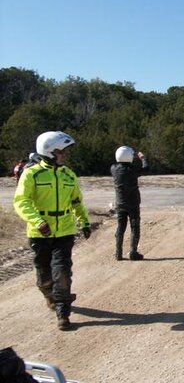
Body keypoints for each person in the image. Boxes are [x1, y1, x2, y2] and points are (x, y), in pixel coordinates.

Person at [13, 131, 91, 331]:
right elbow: (21, 202)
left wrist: (84, 222)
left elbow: (76, 202)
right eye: (60, 151)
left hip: (64, 231)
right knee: (43, 278)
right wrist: (38, 222)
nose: (64, 155)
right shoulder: (31, 174)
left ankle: (63, 313)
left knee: (62, 273)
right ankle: (52, 296)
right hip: (40, 234)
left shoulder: (68, 174)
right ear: (48, 152)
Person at [110, 146, 148, 261]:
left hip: (120, 204)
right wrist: (143, 158)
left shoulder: (113, 168)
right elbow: (146, 169)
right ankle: (133, 252)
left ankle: (118, 253)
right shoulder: (132, 170)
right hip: (133, 204)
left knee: (121, 227)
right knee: (134, 227)